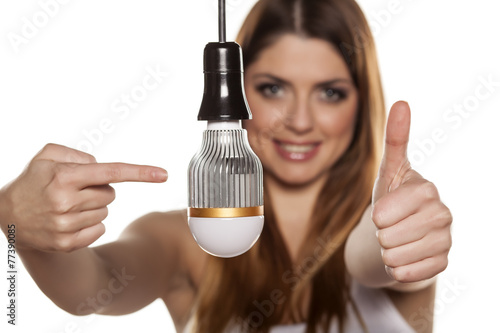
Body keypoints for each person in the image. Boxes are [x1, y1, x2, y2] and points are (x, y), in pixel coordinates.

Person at [0, 0, 452, 332]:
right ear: (235, 94)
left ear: (360, 103)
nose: (299, 120)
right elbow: (90, 290)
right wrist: (16, 220)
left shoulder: (390, 237)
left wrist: (394, 235)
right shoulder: (184, 240)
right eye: (273, 88)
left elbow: (367, 258)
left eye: (329, 92)